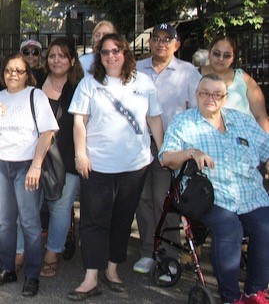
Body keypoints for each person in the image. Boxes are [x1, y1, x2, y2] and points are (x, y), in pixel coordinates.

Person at [67, 33, 163, 300]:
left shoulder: (143, 83)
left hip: (134, 166)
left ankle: (112, 270)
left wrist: (163, 149)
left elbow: (154, 119)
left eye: (116, 51)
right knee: (94, 220)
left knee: (122, 219)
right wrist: (80, 154)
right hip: (97, 165)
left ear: (125, 53)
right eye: (105, 52)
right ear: (99, 56)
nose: (111, 56)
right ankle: (90, 277)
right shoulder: (89, 84)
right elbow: (79, 123)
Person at [160, 73, 269, 304]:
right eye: (205, 93)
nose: (211, 98)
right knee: (230, 231)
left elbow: (266, 149)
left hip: (249, 193)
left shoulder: (242, 121)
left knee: (265, 228)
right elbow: (166, 158)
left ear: (225, 97)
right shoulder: (184, 122)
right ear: (197, 95)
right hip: (210, 195)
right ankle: (231, 298)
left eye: (217, 94)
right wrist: (192, 153)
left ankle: (254, 293)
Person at [0, 52, 58, 297]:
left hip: (26, 165)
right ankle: (7, 269)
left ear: (28, 75)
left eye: (18, 70)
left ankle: (32, 275)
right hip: (2, 164)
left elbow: (47, 133)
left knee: (29, 222)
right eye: (8, 70)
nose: (12, 74)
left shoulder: (35, 96)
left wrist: (36, 165)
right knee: (5, 222)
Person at [132, 23, 200, 274]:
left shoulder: (189, 72)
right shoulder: (137, 69)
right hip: (138, 144)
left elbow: (196, 111)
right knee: (142, 199)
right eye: (157, 38)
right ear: (150, 42)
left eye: (167, 39)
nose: (161, 43)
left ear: (176, 44)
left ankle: (169, 253)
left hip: (169, 146)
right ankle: (148, 250)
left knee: (165, 200)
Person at [26, 37, 84, 278]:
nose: (56, 60)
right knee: (30, 206)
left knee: (60, 208)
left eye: (62, 56)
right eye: (52, 56)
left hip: (67, 156)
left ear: (72, 60)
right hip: (34, 153)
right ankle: (28, 250)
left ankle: (52, 253)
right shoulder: (35, 81)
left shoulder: (80, 86)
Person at [200, 36, 269, 133]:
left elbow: (261, 116)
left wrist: (265, 144)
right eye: (216, 53)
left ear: (233, 58)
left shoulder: (243, 78)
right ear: (209, 53)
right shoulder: (193, 75)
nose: (221, 58)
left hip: (246, 139)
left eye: (227, 55)